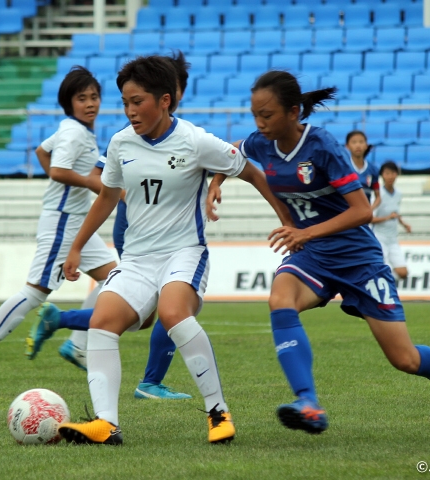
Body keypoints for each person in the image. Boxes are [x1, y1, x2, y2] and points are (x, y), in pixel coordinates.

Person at [207, 70, 430, 435]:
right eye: (255, 114)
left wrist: (304, 231)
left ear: (293, 111)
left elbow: (362, 211)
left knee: (404, 358)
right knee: (280, 299)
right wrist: (215, 183)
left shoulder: (321, 146)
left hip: (359, 260)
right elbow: (237, 151)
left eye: (267, 115)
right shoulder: (262, 142)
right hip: (314, 255)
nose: (260, 123)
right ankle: (308, 403)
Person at [54, 55, 288, 446]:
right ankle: (106, 423)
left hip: (184, 253)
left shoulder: (195, 140)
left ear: (165, 100)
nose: (130, 111)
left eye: (138, 101)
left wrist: (287, 219)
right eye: (125, 102)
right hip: (137, 259)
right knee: (102, 321)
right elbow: (108, 196)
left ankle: (218, 413)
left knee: (173, 312)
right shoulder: (120, 143)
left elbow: (249, 170)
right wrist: (77, 246)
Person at [26, 52, 193, 401]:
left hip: (163, 232)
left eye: (177, 90)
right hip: (139, 229)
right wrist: (128, 197)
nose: (174, 97)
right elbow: (101, 177)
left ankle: (65, 323)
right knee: (169, 303)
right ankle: (149, 382)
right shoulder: (131, 137)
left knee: (149, 311)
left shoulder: (177, 135)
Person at [0, 66, 118, 386]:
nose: (90, 103)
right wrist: (89, 183)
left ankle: (77, 344)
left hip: (74, 221)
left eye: (95, 97)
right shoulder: (75, 133)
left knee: (115, 278)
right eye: (82, 98)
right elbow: (58, 171)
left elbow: (41, 151)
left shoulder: (73, 129)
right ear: (69, 102)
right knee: (36, 292)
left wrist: (81, 186)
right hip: (62, 221)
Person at [371, 161, 411, 281]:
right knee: (384, 270)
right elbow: (370, 218)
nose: (390, 176)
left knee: (403, 273)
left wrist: (404, 224)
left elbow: (395, 213)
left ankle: (383, 283)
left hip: (393, 239)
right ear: (382, 175)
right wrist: (387, 218)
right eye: (387, 173)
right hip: (379, 238)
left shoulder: (398, 194)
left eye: (393, 173)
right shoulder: (378, 195)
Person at [345, 130, 381, 210]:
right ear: (347, 146)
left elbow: (378, 197)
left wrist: (369, 210)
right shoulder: (343, 168)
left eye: (361, 142)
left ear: (366, 145)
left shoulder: (373, 169)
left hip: (364, 218)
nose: (358, 145)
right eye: (354, 142)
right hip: (347, 215)